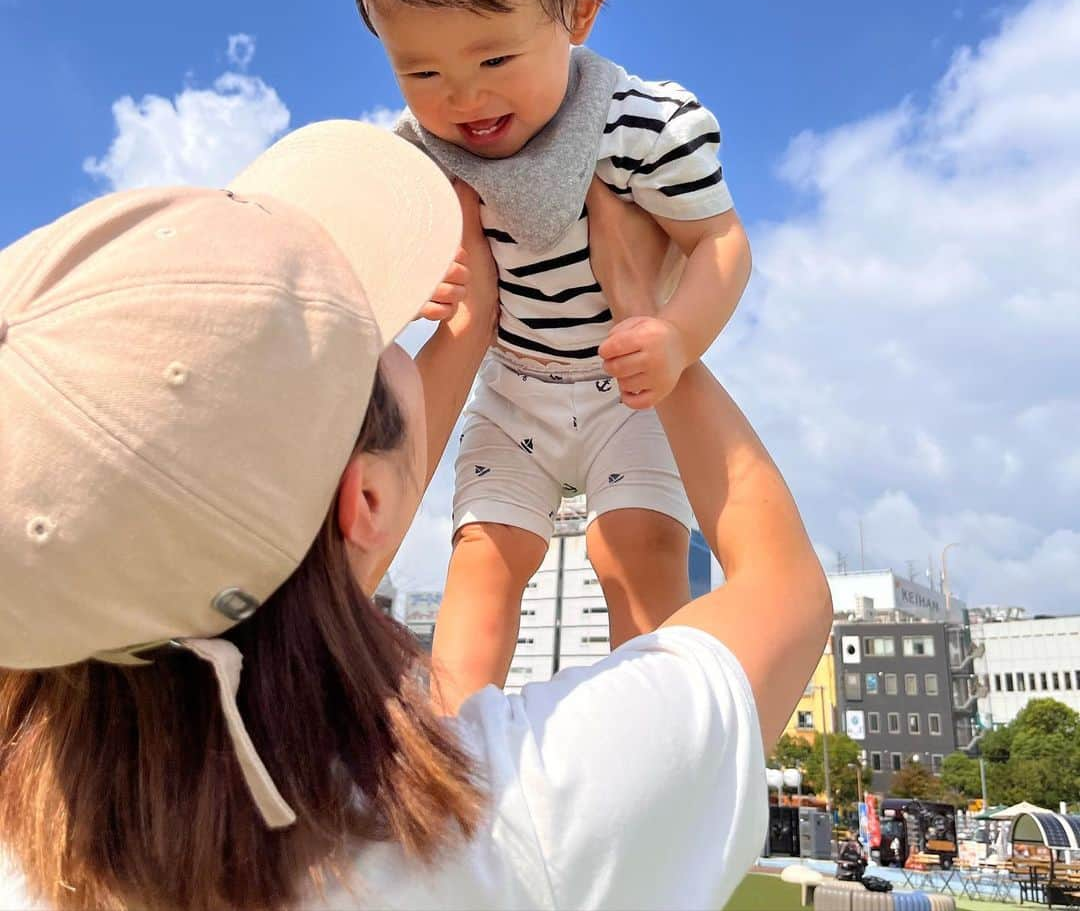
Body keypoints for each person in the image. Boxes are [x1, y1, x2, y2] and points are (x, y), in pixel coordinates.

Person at [0, 120, 830, 910]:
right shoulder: (506, 820)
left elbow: (327, 527)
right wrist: (649, 321)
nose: (405, 330)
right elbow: (786, 594)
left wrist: (466, 337)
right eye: (370, 330)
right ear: (362, 500)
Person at [349, 0, 753, 710]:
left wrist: (677, 335)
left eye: (493, 60)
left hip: (623, 384)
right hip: (514, 386)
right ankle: (452, 738)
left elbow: (722, 243)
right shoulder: (417, 158)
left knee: (639, 549)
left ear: (578, 9)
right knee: (486, 557)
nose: (462, 96)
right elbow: (397, 271)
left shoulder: (641, 126)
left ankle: (646, 734)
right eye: (420, 71)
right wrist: (418, 284)